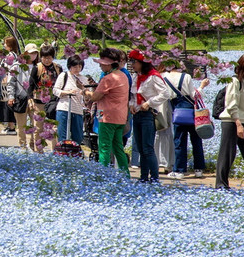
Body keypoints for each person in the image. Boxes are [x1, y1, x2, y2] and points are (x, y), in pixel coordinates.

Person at [216, 53, 244, 190]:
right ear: (242, 67)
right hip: (231, 121)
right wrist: (238, 123)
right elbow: (231, 105)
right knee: (228, 154)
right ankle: (221, 185)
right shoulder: (235, 81)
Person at [128, 49, 172, 183]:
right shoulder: (136, 76)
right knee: (140, 148)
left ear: (142, 62)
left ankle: (154, 178)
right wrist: (131, 104)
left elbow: (165, 93)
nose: (132, 65)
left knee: (147, 148)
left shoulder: (153, 76)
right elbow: (133, 96)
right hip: (137, 115)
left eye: (134, 62)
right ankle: (143, 177)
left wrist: (149, 103)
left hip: (148, 115)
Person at [85, 48, 130, 174]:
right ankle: (125, 174)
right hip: (120, 117)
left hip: (107, 117)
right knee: (118, 148)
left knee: (104, 148)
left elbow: (95, 97)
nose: (100, 66)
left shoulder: (108, 78)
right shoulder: (123, 76)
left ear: (109, 64)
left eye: (102, 64)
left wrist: (86, 92)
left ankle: (102, 176)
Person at [161, 63, 209, 179]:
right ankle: (198, 169)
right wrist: (202, 86)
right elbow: (194, 96)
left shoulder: (164, 77)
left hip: (178, 113)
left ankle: (179, 171)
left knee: (179, 142)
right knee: (196, 141)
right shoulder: (186, 77)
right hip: (192, 113)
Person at [28, 44, 62, 152]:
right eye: (44, 57)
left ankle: (55, 150)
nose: (47, 60)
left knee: (53, 127)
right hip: (39, 101)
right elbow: (30, 85)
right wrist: (30, 99)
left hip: (53, 101)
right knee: (39, 127)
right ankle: (39, 151)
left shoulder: (58, 68)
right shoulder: (36, 68)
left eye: (49, 57)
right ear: (41, 57)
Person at [54, 55, 86, 144]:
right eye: (75, 66)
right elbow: (55, 90)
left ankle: (75, 154)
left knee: (78, 137)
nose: (77, 69)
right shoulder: (64, 75)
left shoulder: (84, 79)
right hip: (64, 108)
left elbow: (87, 96)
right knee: (62, 136)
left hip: (77, 110)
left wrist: (83, 92)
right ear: (69, 66)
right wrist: (68, 92)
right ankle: (63, 154)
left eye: (79, 66)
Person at [0, 37, 20, 135]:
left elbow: (7, 69)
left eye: (5, 44)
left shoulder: (11, 55)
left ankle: (11, 126)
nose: (4, 45)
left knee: (9, 103)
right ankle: (9, 125)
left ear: (10, 45)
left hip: (8, 81)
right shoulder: (13, 55)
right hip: (7, 80)